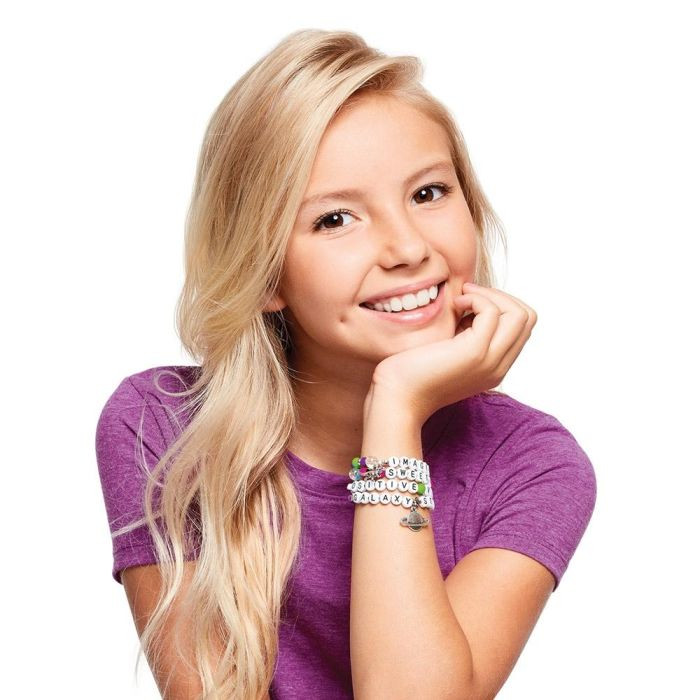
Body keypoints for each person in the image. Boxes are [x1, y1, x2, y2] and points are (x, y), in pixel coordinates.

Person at [95, 28, 597, 700]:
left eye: (428, 193)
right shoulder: (163, 429)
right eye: (335, 219)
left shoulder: (533, 464)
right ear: (263, 274)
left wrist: (395, 409)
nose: (407, 248)